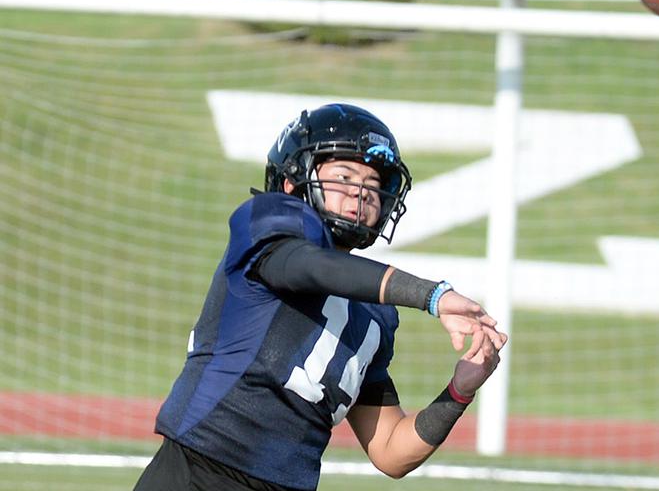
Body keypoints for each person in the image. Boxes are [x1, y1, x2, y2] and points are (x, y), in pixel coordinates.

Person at [133, 103, 508, 491]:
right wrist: (432, 296)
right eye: (344, 175)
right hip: (197, 475)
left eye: (374, 184)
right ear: (293, 181)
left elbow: (391, 450)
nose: (362, 193)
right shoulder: (268, 223)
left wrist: (459, 389)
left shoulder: (374, 313)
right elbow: (310, 267)